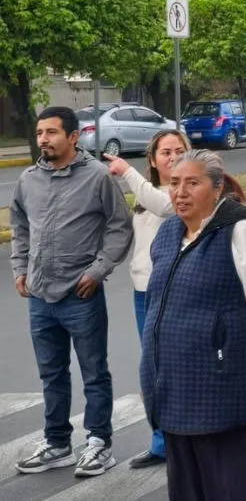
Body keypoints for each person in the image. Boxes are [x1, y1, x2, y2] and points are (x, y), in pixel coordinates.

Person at [140, 150, 246, 501]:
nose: (180, 192)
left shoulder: (241, 229)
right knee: (186, 492)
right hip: (173, 388)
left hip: (220, 389)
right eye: (174, 183)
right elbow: (158, 309)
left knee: (227, 491)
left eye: (192, 183)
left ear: (217, 187)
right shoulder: (167, 234)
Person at [10, 106, 133, 478]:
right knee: (52, 374)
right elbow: (19, 225)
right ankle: (58, 443)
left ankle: (98, 443)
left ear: (73, 136)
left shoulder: (97, 177)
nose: (43, 139)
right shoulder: (29, 179)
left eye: (51, 133)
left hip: (81, 295)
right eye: (40, 133)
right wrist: (20, 267)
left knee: (94, 372)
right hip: (40, 296)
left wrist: (98, 270)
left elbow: (119, 227)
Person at [104, 129, 190, 468]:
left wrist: (126, 170)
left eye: (179, 150)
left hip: (172, 292)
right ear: (153, 160)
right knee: (152, 370)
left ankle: (184, 440)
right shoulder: (145, 195)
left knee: (175, 368)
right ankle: (161, 442)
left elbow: (165, 206)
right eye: (165, 152)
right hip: (143, 293)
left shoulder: (182, 195)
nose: (173, 157)